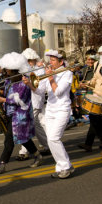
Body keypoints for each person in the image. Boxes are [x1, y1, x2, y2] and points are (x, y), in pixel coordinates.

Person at [23, 50, 75, 179]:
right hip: (50, 109)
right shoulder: (48, 73)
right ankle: (63, 166)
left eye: (52, 60)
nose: (49, 63)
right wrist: (29, 84)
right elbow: (40, 91)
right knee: (50, 140)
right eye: (49, 60)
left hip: (62, 109)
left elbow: (58, 92)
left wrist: (51, 78)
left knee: (53, 138)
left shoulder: (67, 73)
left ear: (60, 62)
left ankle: (66, 166)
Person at [0, 52, 42, 174]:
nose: (6, 72)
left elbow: (20, 99)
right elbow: (9, 94)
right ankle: (37, 155)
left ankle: (2, 163)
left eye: (8, 70)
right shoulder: (9, 81)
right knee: (23, 138)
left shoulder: (23, 81)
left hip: (20, 115)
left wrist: (3, 99)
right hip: (10, 113)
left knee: (9, 139)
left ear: (15, 70)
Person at [18, 48, 49, 161]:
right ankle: (47, 145)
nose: (28, 62)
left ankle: (24, 151)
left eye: (29, 60)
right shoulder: (24, 70)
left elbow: (39, 89)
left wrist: (28, 82)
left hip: (35, 101)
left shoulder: (40, 71)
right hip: (25, 101)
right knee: (36, 125)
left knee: (27, 125)